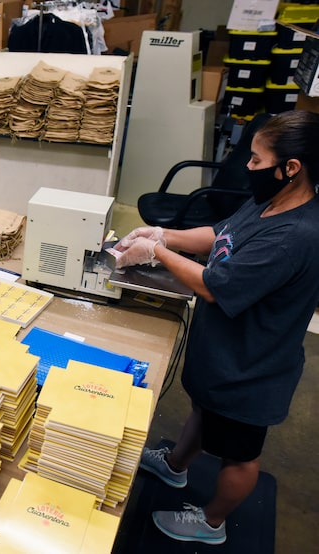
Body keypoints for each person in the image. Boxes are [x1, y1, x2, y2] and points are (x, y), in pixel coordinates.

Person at [113, 110, 319, 545]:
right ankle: (173, 468)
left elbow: (214, 284)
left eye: (258, 161)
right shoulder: (271, 201)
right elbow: (221, 234)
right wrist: (165, 234)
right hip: (225, 351)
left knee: (240, 454)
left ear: (291, 168)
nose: (248, 167)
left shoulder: (294, 236)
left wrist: (156, 253)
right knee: (206, 411)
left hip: (252, 367)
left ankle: (211, 523)